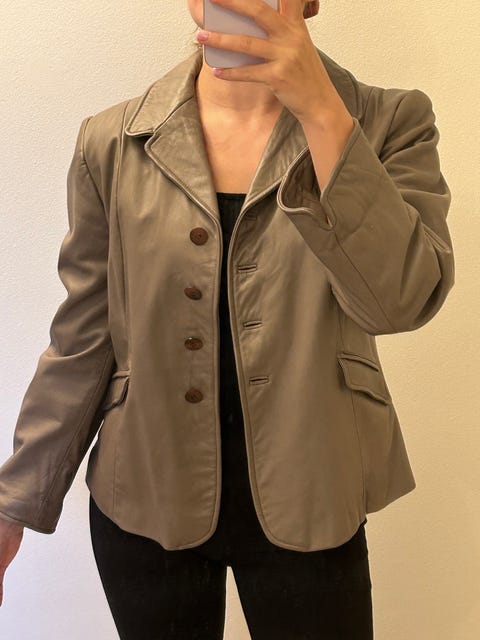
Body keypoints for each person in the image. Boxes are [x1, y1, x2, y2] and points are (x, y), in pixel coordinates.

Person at [0, 1, 455, 638]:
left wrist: (323, 114)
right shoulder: (112, 141)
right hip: (145, 498)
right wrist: (15, 501)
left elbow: (399, 302)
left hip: (315, 494)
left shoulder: (388, 122)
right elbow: (84, 336)